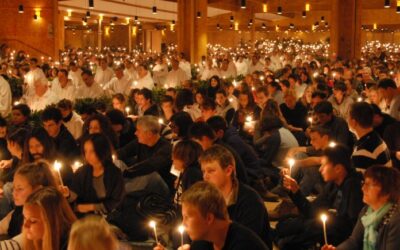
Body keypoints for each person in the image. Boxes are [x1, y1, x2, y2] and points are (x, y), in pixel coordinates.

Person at [275, 144, 364, 249]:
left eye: (324, 165)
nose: (320, 169)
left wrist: (314, 223)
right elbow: (312, 211)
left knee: (287, 242)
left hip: (335, 238)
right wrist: (295, 191)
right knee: (284, 223)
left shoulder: (354, 188)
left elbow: (350, 229)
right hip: (322, 226)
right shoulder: (333, 184)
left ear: (338, 168)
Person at [154, 181, 269, 250]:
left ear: (209, 218)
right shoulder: (203, 241)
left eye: (187, 217)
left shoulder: (244, 245)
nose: (183, 223)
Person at [199, 145, 273, 249]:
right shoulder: (207, 198)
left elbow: (246, 243)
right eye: (203, 171)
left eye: (211, 171)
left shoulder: (250, 202)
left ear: (228, 171)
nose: (205, 176)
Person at [322, 166, 400, 250]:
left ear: (387, 191)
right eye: (364, 183)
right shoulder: (366, 211)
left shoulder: (396, 219)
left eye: (369, 185)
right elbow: (353, 241)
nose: (363, 188)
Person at [0, 161, 58, 246]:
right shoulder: (18, 211)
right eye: (14, 188)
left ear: (37, 189)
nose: (14, 193)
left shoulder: (43, 215)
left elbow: (17, 244)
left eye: (19, 189)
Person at [67, 133, 125, 216]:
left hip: (108, 217)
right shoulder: (82, 172)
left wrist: (91, 207)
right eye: (86, 151)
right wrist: (67, 194)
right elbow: (75, 194)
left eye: (92, 151)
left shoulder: (114, 173)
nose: (87, 155)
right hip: (84, 216)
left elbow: (116, 201)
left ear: (101, 150)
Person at [117, 116, 173, 191]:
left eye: (138, 131)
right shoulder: (140, 142)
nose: (135, 133)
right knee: (117, 163)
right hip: (141, 179)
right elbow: (123, 152)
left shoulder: (166, 148)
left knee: (151, 176)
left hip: (160, 187)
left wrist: (126, 172)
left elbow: (150, 165)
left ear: (149, 134)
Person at [348, 102, 392, 170]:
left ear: (354, 122)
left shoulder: (362, 152)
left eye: (348, 117)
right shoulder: (376, 137)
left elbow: (360, 179)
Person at [172, 140, 203, 206]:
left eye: (175, 156)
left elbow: (190, 201)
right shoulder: (187, 171)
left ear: (185, 158)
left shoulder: (191, 173)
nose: (172, 159)